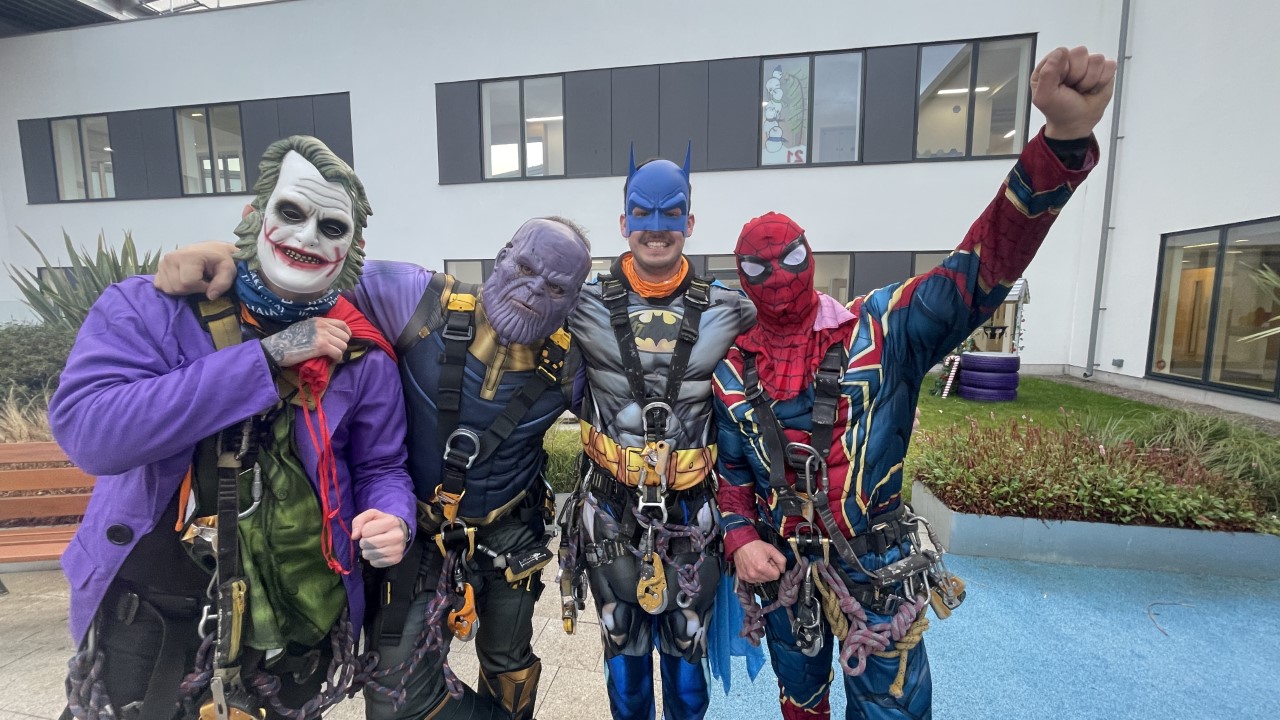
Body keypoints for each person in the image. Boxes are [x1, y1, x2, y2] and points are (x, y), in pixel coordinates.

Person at [712, 46, 1115, 719]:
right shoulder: (731, 366)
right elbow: (731, 473)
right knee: (799, 705)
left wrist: (1061, 145)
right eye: (760, 269)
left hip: (876, 569)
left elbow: (983, 268)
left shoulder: (885, 330)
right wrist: (739, 538)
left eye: (791, 259)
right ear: (740, 274)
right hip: (784, 575)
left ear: (810, 256)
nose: (779, 276)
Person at [153, 218, 593, 720]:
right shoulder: (412, 297)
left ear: (574, 298)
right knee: (394, 699)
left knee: (509, 663)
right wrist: (232, 259)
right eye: (526, 267)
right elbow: (304, 279)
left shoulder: (579, 360)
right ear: (503, 253)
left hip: (512, 534)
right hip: (416, 530)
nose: (533, 291)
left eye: (556, 287)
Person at [51, 135, 415, 720]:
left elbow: (380, 465)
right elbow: (92, 432)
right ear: (254, 216)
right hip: (153, 618)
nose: (305, 238)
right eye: (290, 213)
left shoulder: (362, 352)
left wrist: (393, 514)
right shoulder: (150, 309)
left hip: (299, 629)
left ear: (353, 250)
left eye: (331, 228)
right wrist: (267, 359)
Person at [557, 149, 756, 720]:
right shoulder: (582, 305)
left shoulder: (730, 310)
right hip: (609, 510)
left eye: (672, 215)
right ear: (624, 223)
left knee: (688, 673)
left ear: (690, 223)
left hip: (693, 513)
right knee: (624, 666)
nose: (657, 228)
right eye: (642, 213)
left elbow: (798, 346)